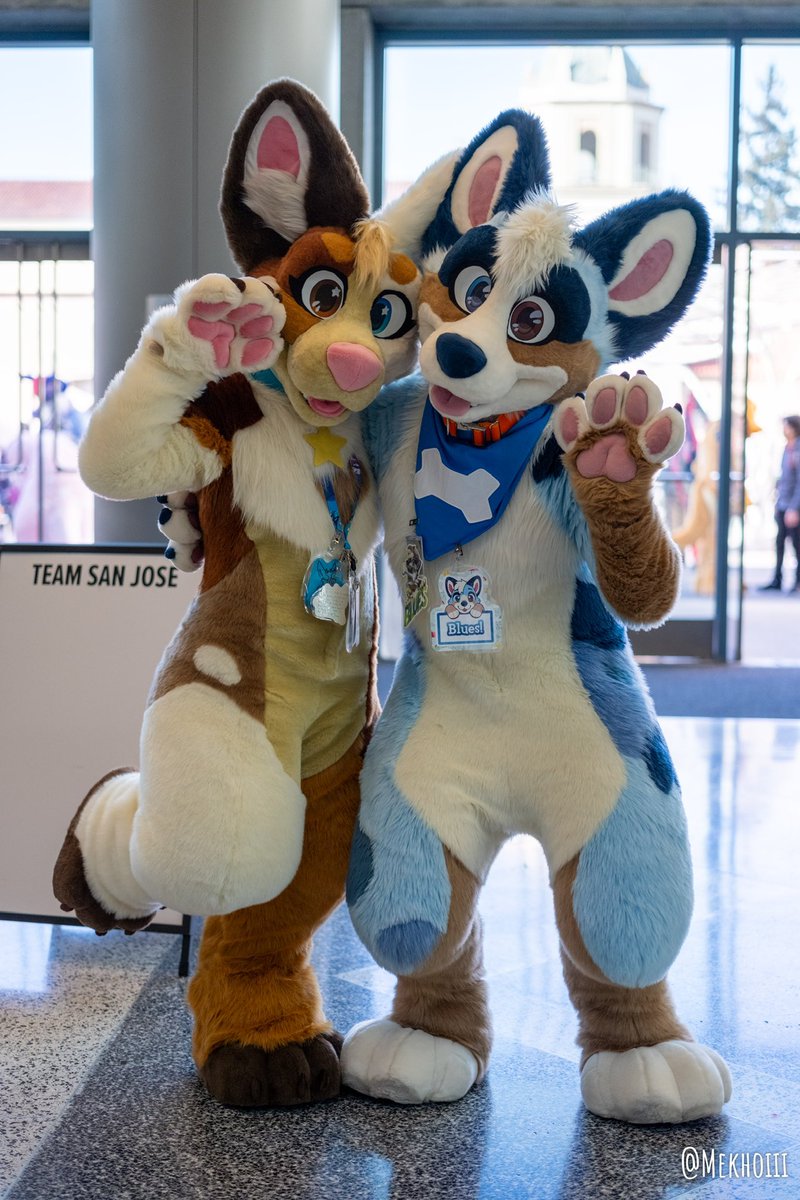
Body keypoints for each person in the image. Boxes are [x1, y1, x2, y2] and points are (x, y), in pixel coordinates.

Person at [760, 415, 800, 592]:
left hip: (793, 506)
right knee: (780, 542)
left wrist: (794, 508)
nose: (784, 430)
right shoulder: (787, 448)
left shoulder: (798, 449)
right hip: (782, 504)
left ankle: (797, 580)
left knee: (796, 544)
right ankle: (777, 578)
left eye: (786, 426)